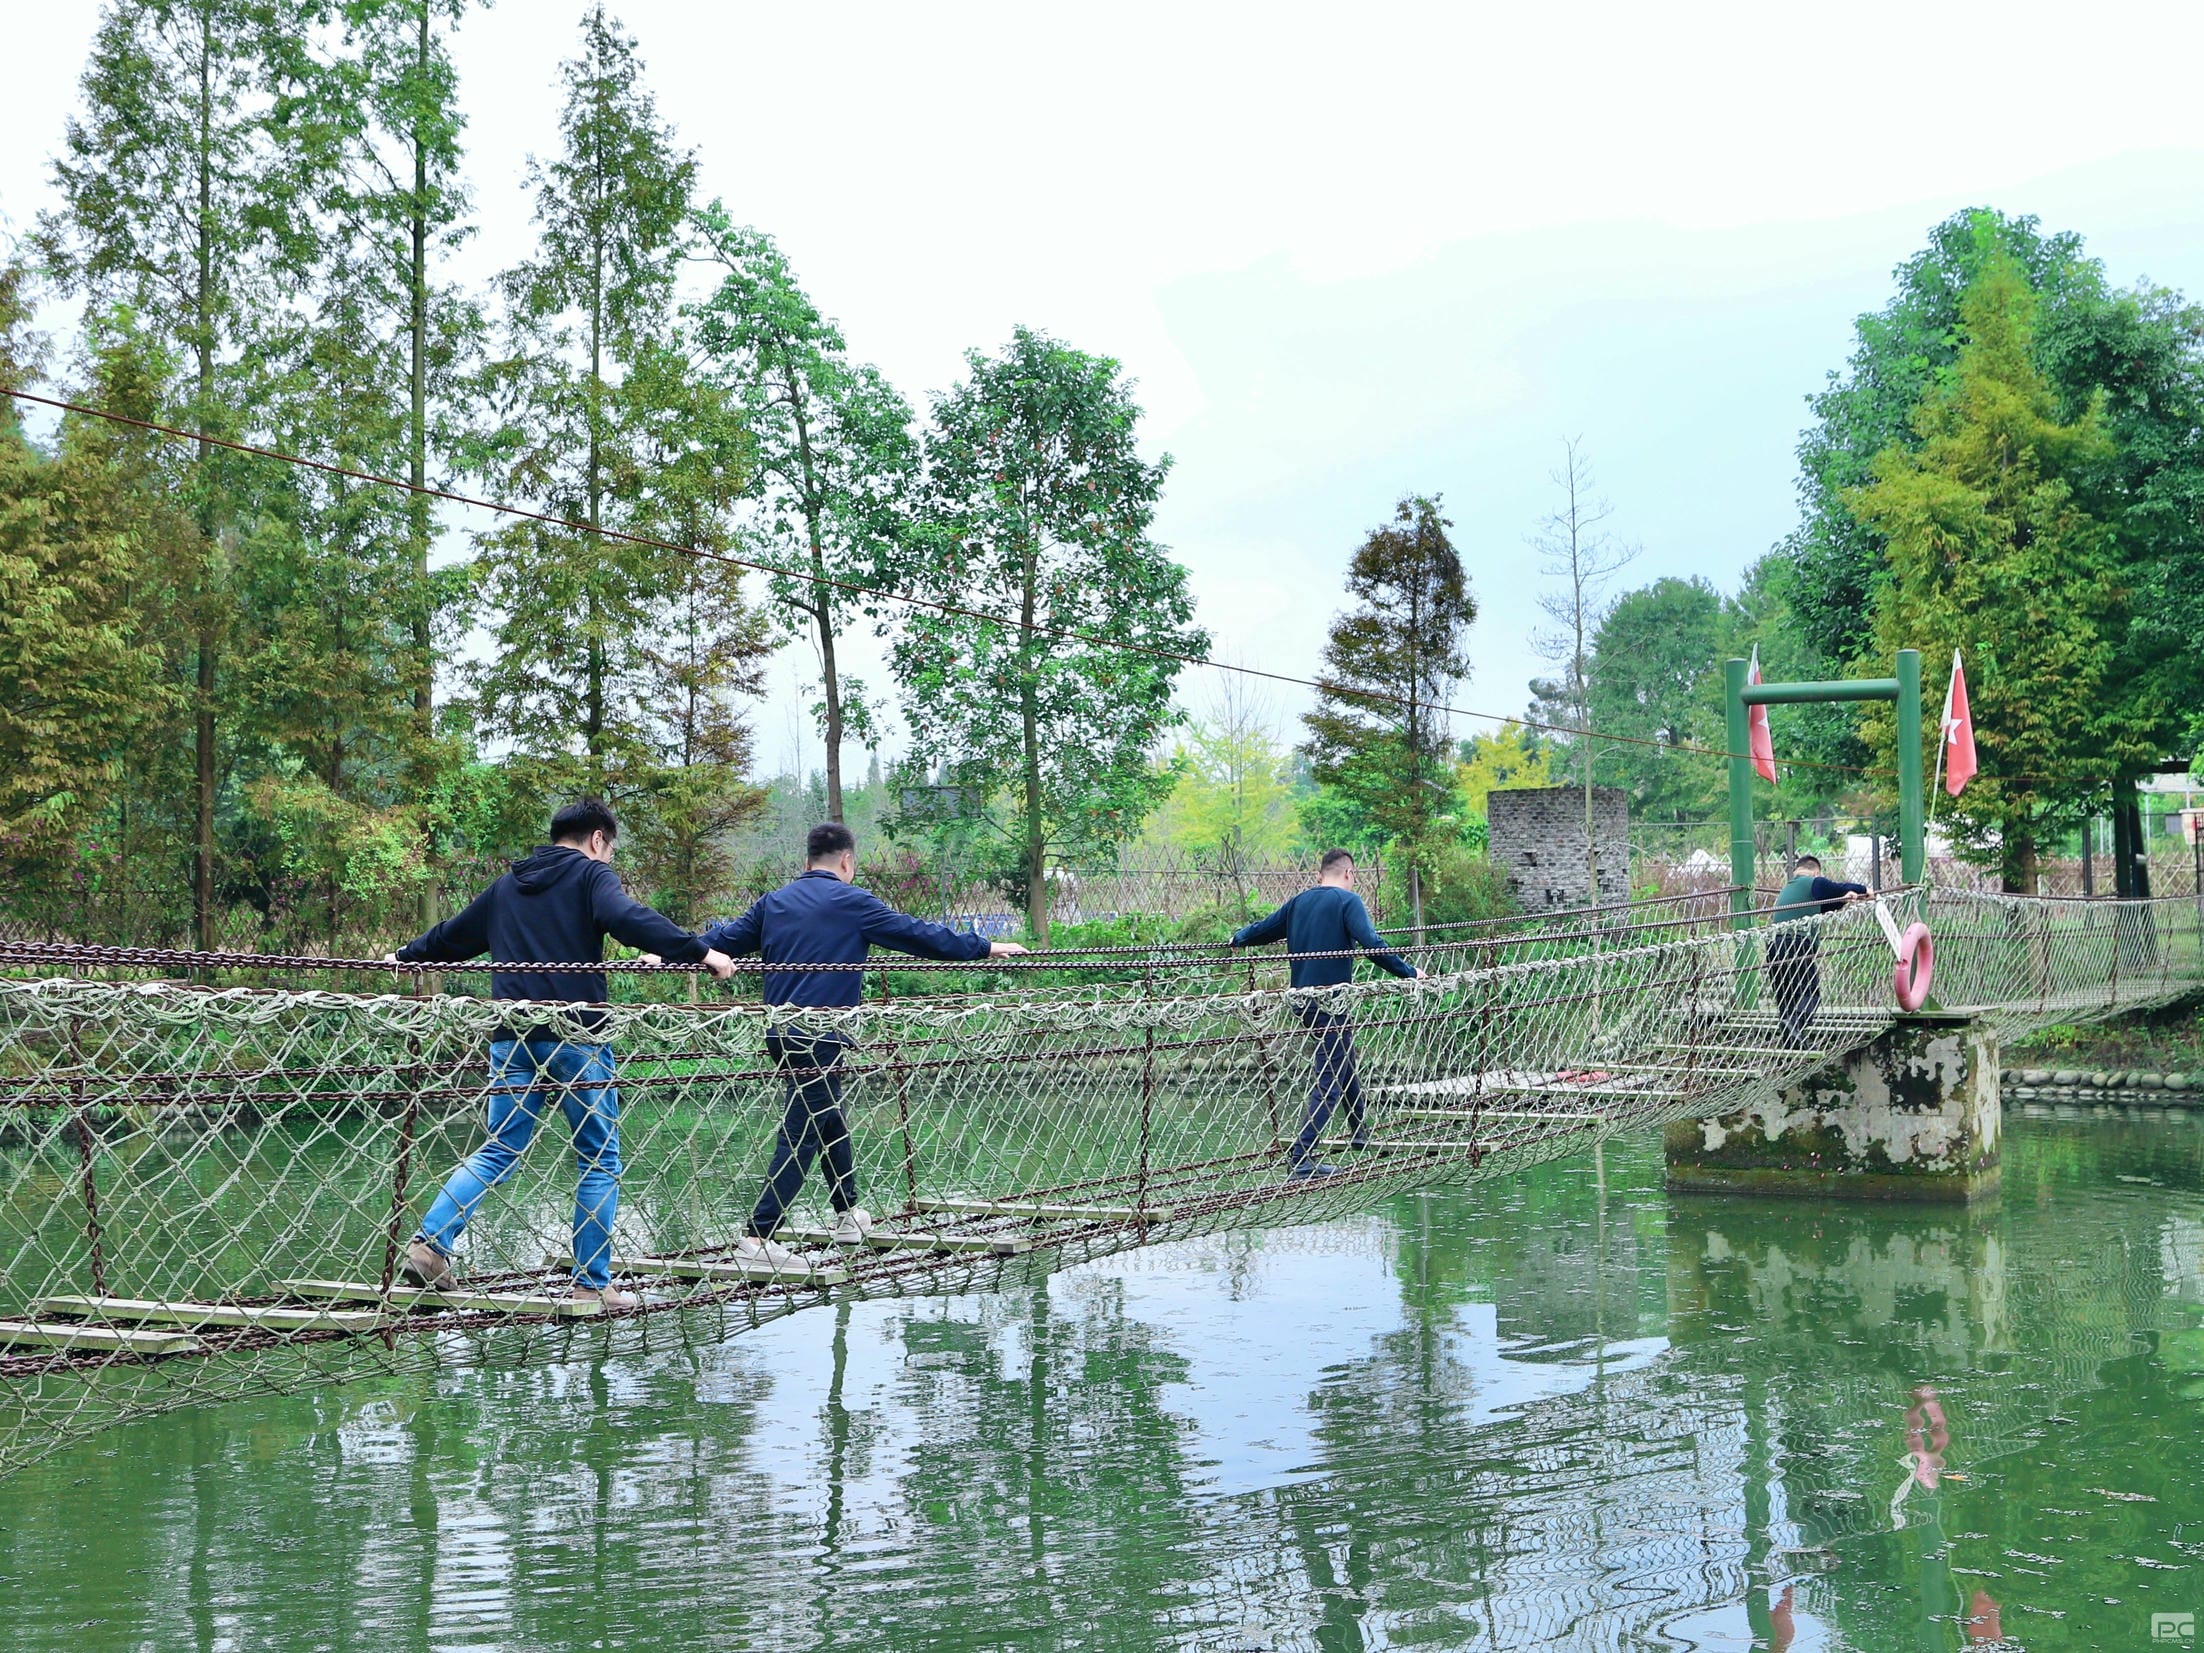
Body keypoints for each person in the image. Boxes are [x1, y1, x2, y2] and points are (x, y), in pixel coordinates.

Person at [386, 799, 735, 1309]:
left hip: (513, 1037)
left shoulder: (507, 886)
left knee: (500, 1149)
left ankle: (431, 1245)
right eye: (609, 850)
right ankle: (593, 1283)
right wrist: (703, 952)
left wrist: (404, 955)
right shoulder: (592, 878)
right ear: (598, 840)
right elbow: (627, 918)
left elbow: (453, 937)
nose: (608, 859)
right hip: (578, 1036)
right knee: (599, 1158)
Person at [699, 823, 1028, 1264]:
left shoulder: (774, 903)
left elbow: (721, 942)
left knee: (827, 1116)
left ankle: (848, 1212)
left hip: (780, 1032)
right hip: (821, 1035)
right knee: (803, 1130)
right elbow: (918, 935)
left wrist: (665, 952)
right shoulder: (853, 901)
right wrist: (986, 946)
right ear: (847, 862)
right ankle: (759, 1237)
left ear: (807, 862)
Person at [1227, 848, 1422, 1179]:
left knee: (1342, 1057)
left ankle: (1359, 1130)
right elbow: (1372, 944)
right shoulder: (1349, 902)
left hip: (1302, 1002)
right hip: (1330, 1003)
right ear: (1349, 874)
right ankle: (1301, 1158)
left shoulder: (1299, 902)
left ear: (1321, 874)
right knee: (1330, 1078)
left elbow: (1266, 929)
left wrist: (1239, 938)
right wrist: (1409, 973)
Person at [1766, 853, 1869, 1045]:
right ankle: (1795, 1023)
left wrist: (1844, 900)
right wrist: (1866, 890)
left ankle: (1791, 1041)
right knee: (1809, 992)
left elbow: (1822, 907)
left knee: (1787, 996)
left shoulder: (1790, 888)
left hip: (1774, 945)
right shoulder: (1814, 882)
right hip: (1796, 945)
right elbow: (1840, 887)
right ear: (1816, 872)